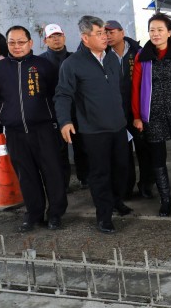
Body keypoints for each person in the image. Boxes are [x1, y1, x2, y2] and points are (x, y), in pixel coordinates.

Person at [55, 15, 129, 234]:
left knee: (122, 169)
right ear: (85, 38)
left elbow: (119, 91)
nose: (105, 37)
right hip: (93, 130)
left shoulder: (112, 58)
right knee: (100, 174)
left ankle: (117, 201)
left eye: (105, 32)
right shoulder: (72, 64)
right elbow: (62, 95)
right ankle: (104, 216)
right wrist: (65, 121)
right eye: (99, 33)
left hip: (118, 126)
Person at [0, 25, 68, 232]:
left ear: (31, 43)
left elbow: (55, 95)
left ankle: (55, 214)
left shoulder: (44, 66)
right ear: (6, 44)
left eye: (21, 42)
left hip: (43, 130)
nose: (16, 46)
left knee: (52, 173)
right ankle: (33, 213)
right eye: (12, 42)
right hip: (15, 132)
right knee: (26, 175)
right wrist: (9, 115)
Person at [132, 13, 171, 217]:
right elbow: (135, 89)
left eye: (160, 30)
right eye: (152, 30)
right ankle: (165, 200)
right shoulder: (142, 56)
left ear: (169, 33)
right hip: (153, 115)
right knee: (158, 158)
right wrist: (137, 115)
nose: (156, 34)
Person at [105, 19, 154, 200]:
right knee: (122, 153)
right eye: (105, 33)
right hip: (116, 112)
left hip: (138, 110)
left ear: (122, 32)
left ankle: (146, 185)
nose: (108, 36)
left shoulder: (138, 52)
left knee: (144, 150)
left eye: (112, 32)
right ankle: (126, 187)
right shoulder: (103, 55)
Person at [40, 23, 89, 190]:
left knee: (81, 146)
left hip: (77, 111)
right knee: (59, 150)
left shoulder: (75, 58)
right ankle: (64, 182)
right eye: (52, 37)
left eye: (59, 35)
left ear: (64, 37)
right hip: (53, 114)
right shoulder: (40, 62)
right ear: (45, 40)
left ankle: (85, 177)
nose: (56, 39)